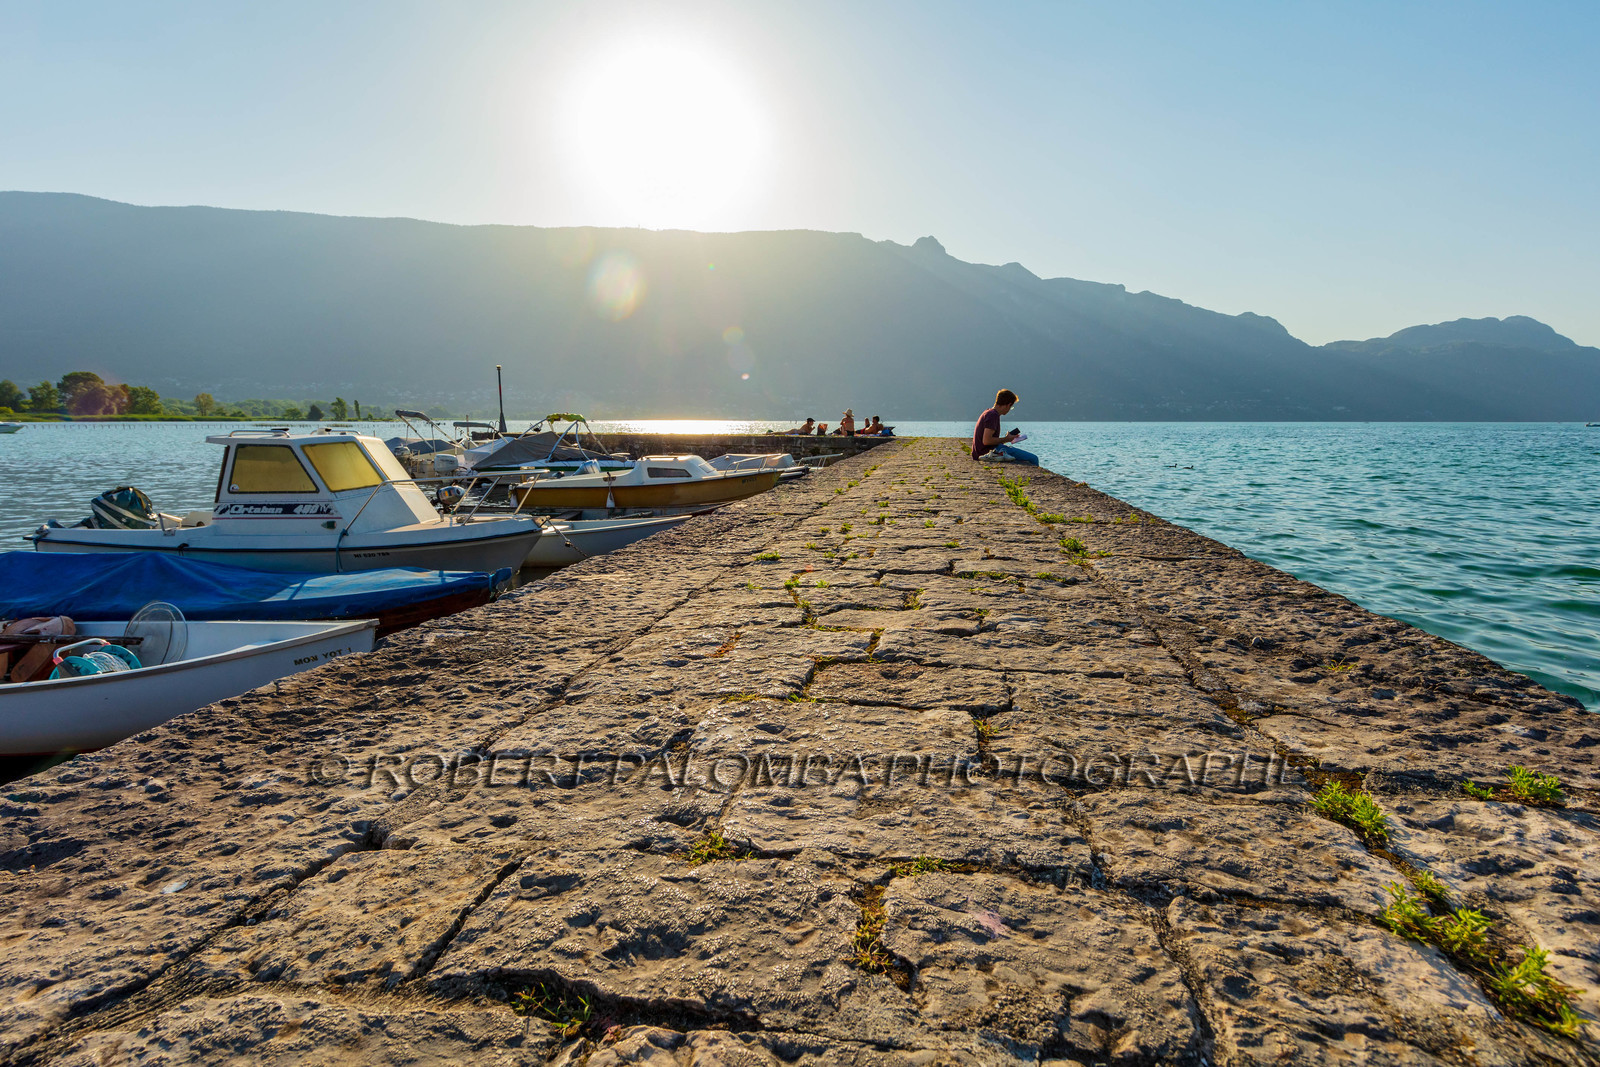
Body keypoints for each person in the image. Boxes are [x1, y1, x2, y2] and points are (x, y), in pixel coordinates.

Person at [972, 388, 1038, 465]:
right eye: (1011, 407)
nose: (1009, 409)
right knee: (1033, 458)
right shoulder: (993, 415)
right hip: (988, 452)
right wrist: (1006, 439)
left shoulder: (988, 412)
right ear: (1008, 405)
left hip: (982, 451)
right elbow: (986, 441)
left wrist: (1007, 438)